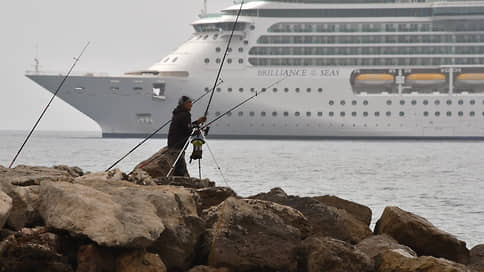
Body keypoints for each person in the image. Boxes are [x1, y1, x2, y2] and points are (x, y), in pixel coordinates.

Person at [167, 96, 206, 176]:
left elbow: (186, 127)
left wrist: (198, 122)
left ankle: (177, 184)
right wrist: (197, 131)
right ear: (184, 104)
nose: (191, 105)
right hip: (177, 146)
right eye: (189, 103)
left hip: (173, 144)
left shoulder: (178, 113)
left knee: (179, 167)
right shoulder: (185, 114)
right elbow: (188, 130)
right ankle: (177, 185)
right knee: (180, 169)